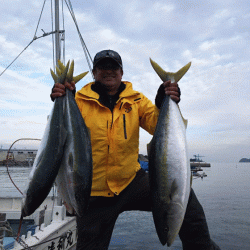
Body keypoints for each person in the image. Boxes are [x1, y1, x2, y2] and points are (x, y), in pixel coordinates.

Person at [51, 50, 220, 250]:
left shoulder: (136, 100)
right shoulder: (78, 101)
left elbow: (158, 126)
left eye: (113, 67)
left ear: (121, 72)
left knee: (185, 201)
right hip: (94, 191)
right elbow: (59, 134)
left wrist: (162, 103)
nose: (108, 71)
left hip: (131, 181)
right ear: (94, 72)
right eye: (103, 67)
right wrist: (62, 101)